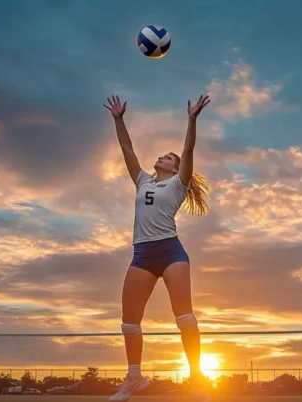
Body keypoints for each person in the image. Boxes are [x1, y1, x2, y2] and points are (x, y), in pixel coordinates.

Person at [103, 94, 211, 401]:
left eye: (169, 157)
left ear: (177, 169)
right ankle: (134, 379)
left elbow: (188, 149)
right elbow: (127, 148)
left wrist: (192, 119)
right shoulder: (142, 181)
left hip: (171, 251)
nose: (163, 157)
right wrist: (118, 118)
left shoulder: (179, 183)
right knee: (129, 322)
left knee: (184, 317)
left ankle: (197, 378)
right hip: (142, 255)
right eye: (164, 155)